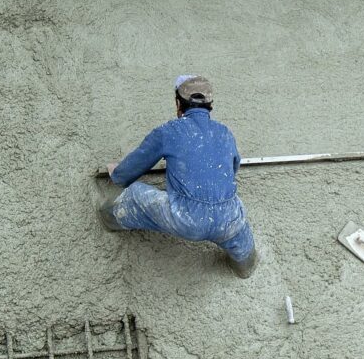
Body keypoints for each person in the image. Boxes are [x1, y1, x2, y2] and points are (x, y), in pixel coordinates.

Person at [98, 75, 258, 277]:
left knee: (134, 197)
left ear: (177, 104)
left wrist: (119, 175)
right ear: (211, 106)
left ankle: (106, 219)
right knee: (242, 241)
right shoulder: (225, 132)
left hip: (187, 220)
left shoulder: (168, 132)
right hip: (229, 218)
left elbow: (136, 165)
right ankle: (245, 268)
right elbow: (233, 168)